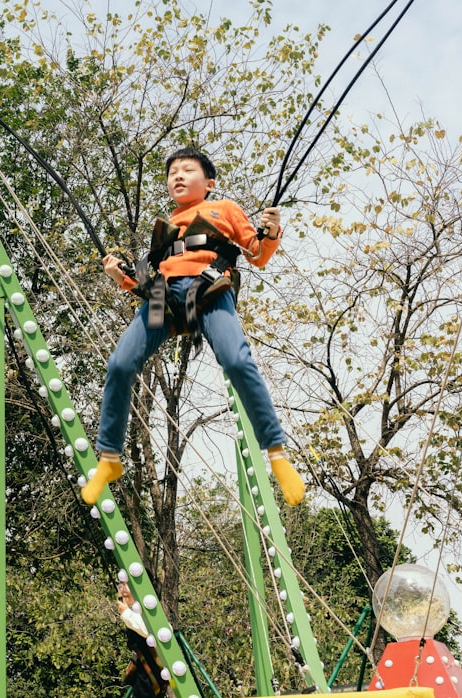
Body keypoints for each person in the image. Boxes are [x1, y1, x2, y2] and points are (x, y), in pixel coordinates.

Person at [82, 146, 306, 506]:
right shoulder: (166, 228)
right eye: (172, 173)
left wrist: (272, 230)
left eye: (187, 170)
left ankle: (276, 452)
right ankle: (109, 457)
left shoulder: (224, 210)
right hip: (164, 295)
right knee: (120, 364)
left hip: (209, 287)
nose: (178, 176)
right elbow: (146, 275)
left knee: (237, 360)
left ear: (209, 183)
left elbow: (257, 253)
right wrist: (119, 275)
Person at [116, 584, 168, 698]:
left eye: (127, 585)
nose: (122, 590)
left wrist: (126, 614)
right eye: (121, 585)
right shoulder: (136, 615)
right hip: (144, 679)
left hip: (151, 681)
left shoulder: (154, 618)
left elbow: (151, 630)